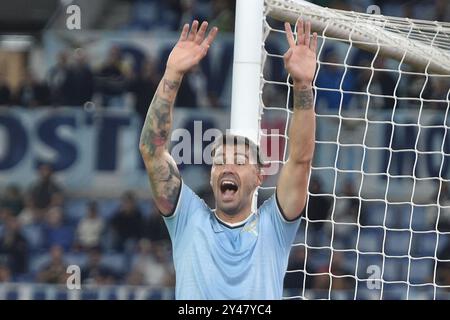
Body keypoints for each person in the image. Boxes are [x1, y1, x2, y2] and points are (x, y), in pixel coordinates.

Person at [139, 19, 317, 299]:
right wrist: (172, 74)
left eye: (239, 161)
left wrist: (303, 84)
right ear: (211, 176)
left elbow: (300, 160)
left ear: (260, 176)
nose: (227, 167)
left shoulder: (275, 226)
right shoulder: (188, 218)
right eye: (220, 160)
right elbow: (152, 150)